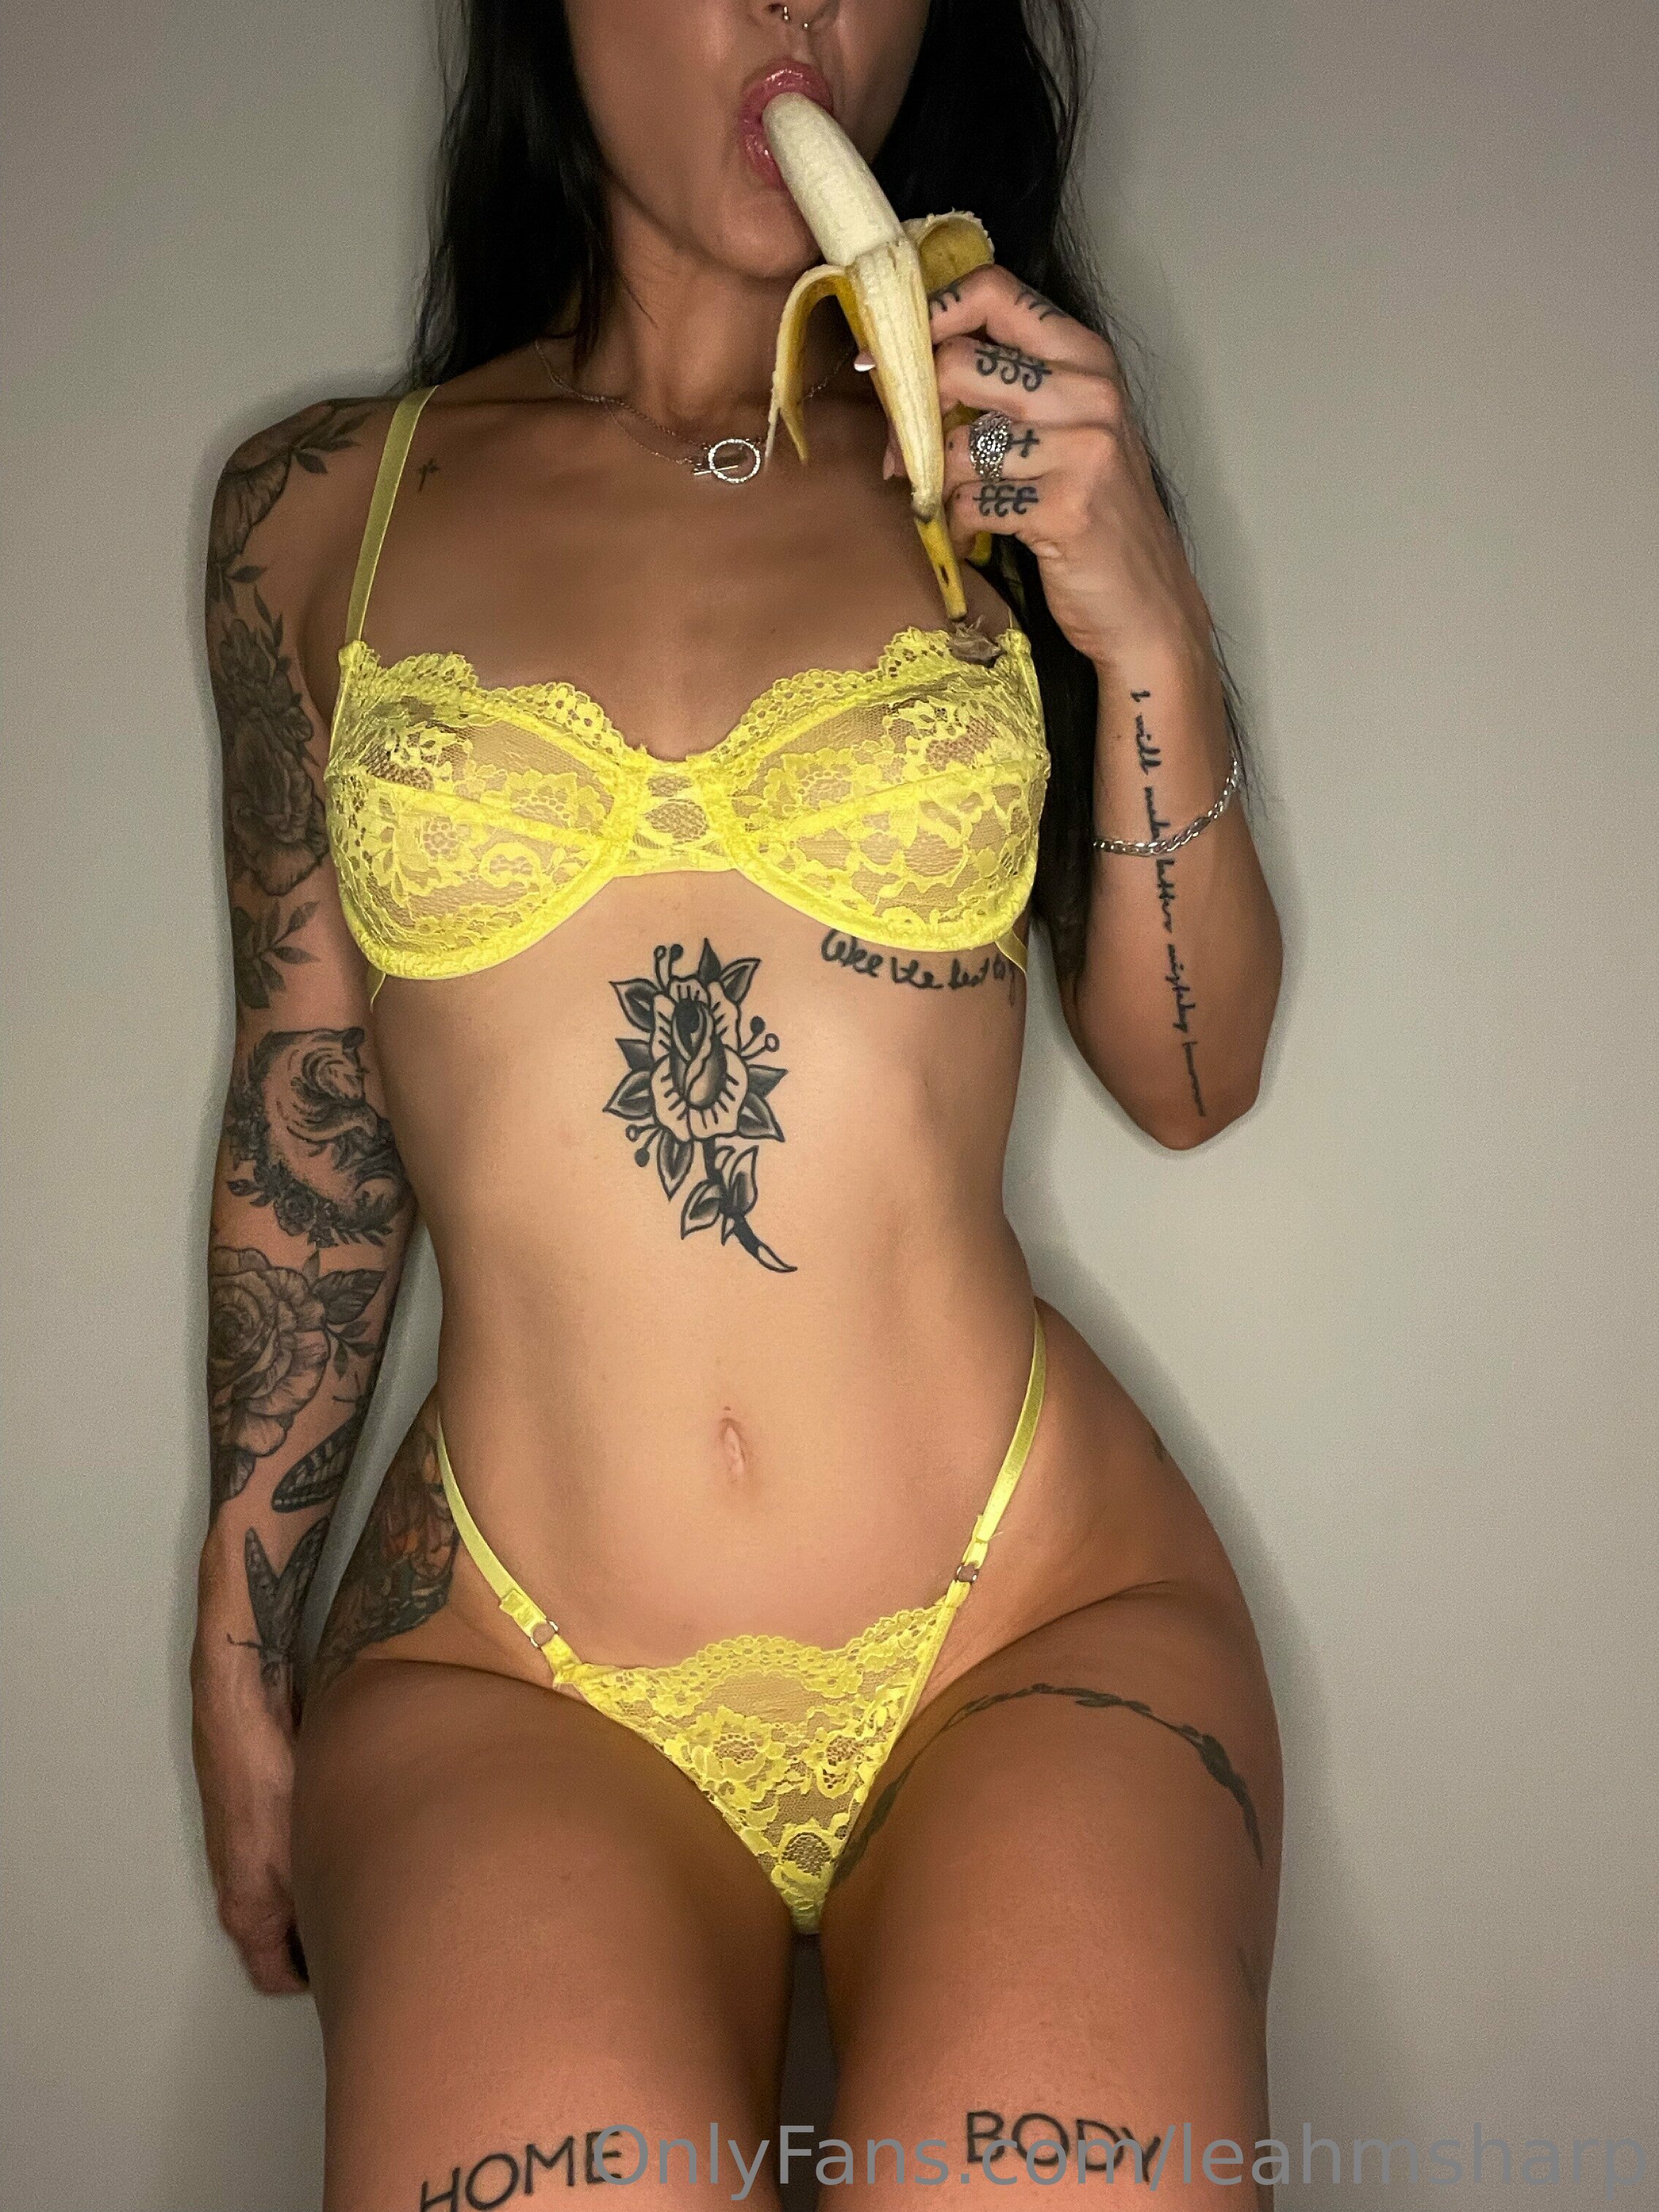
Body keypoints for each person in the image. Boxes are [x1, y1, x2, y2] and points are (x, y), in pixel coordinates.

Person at [192, 2, 1284, 2203]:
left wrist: (1150, 627)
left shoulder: (1002, 466)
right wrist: (234, 1639)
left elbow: (1191, 1079)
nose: (799, 11)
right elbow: (309, 1105)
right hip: (510, 1665)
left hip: (1026, 1614)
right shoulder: (318, 512)